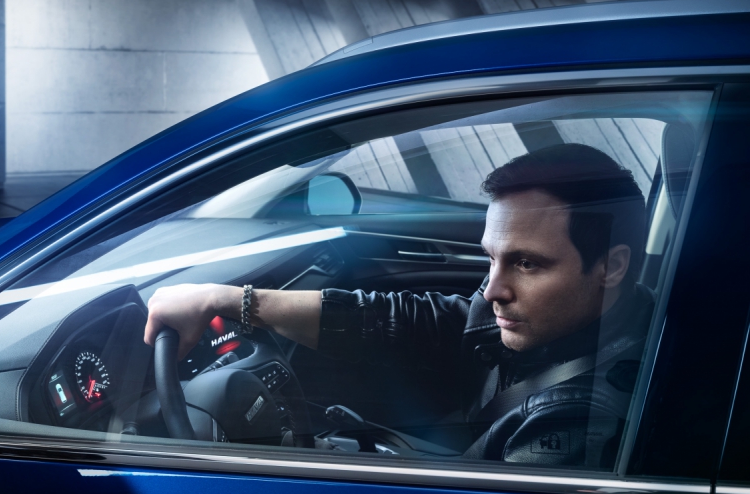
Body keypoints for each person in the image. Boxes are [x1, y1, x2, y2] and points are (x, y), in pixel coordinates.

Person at [144, 143, 654, 468]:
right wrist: (229, 299)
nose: (492, 289)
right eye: (491, 258)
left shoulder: (579, 425)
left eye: (527, 264)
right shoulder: (569, 322)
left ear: (611, 266)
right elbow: (408, 321)